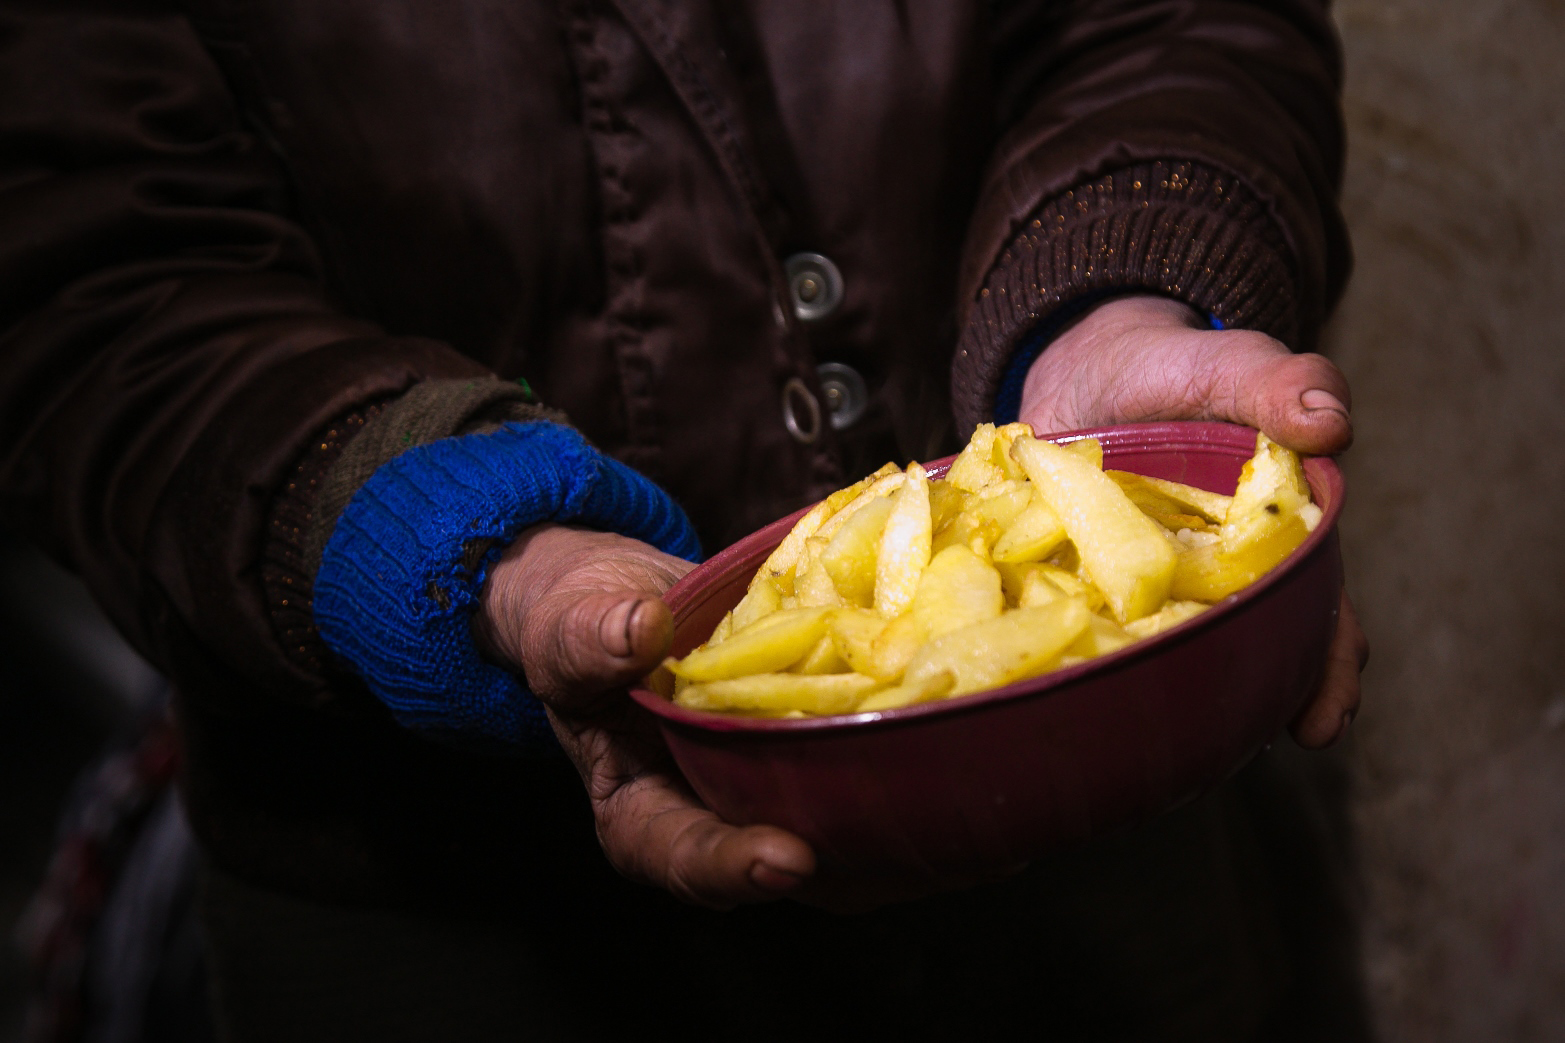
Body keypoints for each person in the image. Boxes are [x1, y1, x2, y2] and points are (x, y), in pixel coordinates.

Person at [0, 0, 1370, 1038]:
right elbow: (80, 273)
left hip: (1102, 797)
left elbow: (1167, 23)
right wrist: (432, 530)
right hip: (441, 905)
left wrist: (1115, 297)